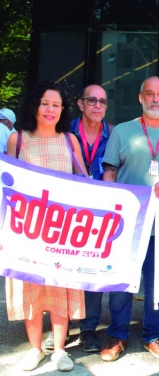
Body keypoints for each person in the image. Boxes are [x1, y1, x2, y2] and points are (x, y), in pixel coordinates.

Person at [101, 76, 159, 362]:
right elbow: (109, 172)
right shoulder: (123, 131)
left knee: (157, 283)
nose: (155, 99)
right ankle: (117, 335)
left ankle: (153, 336)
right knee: (122, 281)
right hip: (128, 223)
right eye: (150, 94)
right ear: (141, 98)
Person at [5, 80, 88, 372]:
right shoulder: (18, 139)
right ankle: (35, 349)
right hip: (26, 230)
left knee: (60, 287)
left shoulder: (70, 140)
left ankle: (60, 351)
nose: (50, 109)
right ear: (34, 105)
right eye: (45, 103)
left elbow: (85, 183)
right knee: (31, 288)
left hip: (63, 232)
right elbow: (6, 187)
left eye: (56, 104)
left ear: (63, 109)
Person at [43, 85, 114, 353]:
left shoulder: (114, 134)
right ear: (81, 104)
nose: (97, 106)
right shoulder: (63, 132)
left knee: (91, 269)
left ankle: (88, 328)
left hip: (100, 213)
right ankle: (58, 327)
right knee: (61, 267)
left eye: (102, 102)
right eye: (92, 100)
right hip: (65, 210)